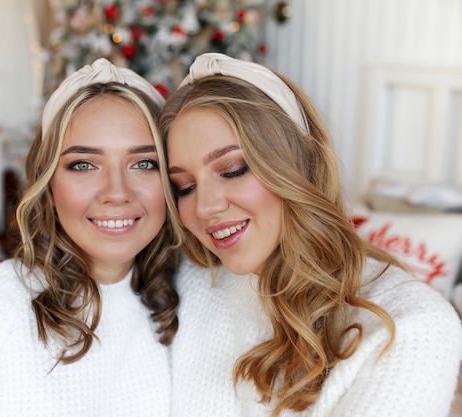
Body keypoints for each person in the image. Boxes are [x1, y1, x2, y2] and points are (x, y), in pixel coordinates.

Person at [159, 52, 462, 417]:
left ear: (302, 160)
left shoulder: (412, 327)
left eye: (233, 169)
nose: (204, 207)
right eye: (185, 186)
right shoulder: (190, 283)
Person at [0, 58, 181, 417]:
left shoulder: (192, 300)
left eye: (144, 163)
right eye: (84, 164)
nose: (117, 192)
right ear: (48, 186)